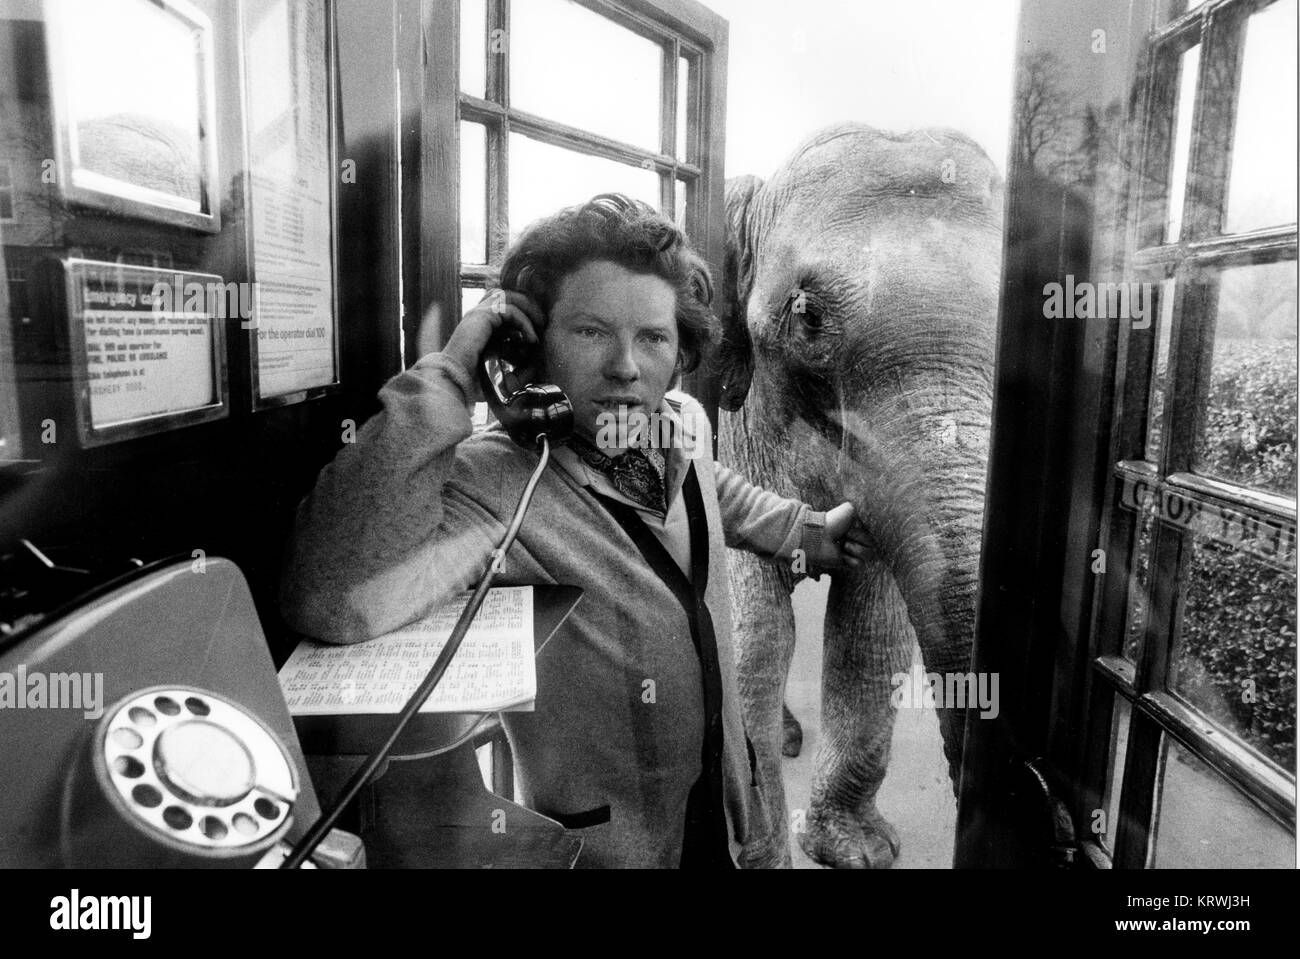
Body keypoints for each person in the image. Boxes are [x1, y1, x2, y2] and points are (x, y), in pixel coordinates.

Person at [279, 194, 870, 868]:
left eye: (652, 337)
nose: (625, 364)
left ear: (679, 354)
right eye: (591, 331)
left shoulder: (672, 429)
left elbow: (711, 495)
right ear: (530, 347)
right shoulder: (501, 484)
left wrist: (803, 529)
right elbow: (330, 592)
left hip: (730, 816)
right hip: (614, 850)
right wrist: (452, 372)